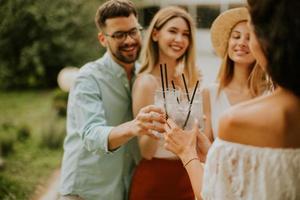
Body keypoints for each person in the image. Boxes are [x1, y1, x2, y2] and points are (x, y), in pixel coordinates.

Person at [164, 2, 300, 199]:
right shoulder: (212, 94)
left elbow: (214, 196)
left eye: (251, 33)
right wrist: (214, 153)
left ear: (265, 42)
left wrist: (186, 152)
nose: (244, 42)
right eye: (236, 36)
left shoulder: (236, 120)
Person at [59, 1, 165, 199]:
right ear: (102, 39)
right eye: (119, 35)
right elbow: (91, 134)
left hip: (123, 189)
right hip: (86, 191)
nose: (129, 40)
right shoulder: (88, 78)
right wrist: (134, 126)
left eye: (134, 31)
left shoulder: (143, 75)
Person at [129, 6, 200, 200]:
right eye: (173, 31)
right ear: (155, 34)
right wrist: (162, 120)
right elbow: (146, 151)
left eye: (185, 34)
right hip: (156, 179)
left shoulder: (185, 81)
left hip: (188, 176)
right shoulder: (146, 83)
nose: (180, 39)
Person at [202, 7, 268, 143]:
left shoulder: (271, 92)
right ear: (228, 43)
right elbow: (206, 149)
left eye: (249, 38)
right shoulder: (210, 93)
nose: (241, 43)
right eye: (236, 36)